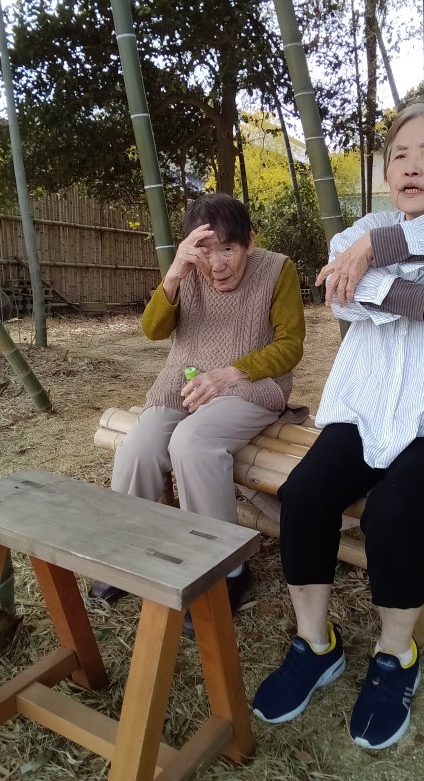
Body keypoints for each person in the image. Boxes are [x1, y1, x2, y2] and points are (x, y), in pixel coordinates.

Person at [252, 102, 424, 749]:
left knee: (392, 511)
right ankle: (316, 644)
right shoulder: (361, 229)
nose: (410, 166)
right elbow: (346, 294)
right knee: (305, 493)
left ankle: (396, 656)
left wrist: (375, 254)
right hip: (368, 409)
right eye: (399, 155)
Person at [90, 193, 307, 633]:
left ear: (249, 242)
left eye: (228, 248)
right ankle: (127, 550)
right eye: (204, 250)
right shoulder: (186, 271)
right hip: (184, 381)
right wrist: (173, 275)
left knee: (192, 442)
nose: (217, 263)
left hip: (250, 385)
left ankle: (226, 568)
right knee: (140, 445)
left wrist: (230, 373)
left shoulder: (276, 269)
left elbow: (291, 346)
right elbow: (152, 330)